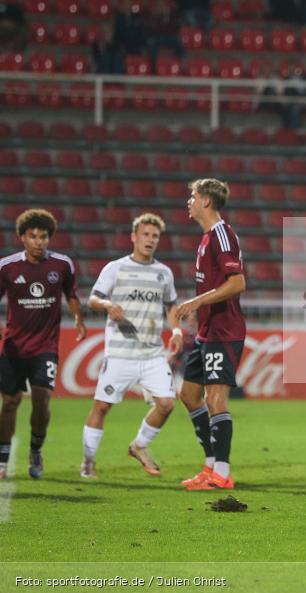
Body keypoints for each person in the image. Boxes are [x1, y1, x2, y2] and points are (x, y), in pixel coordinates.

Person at [81, 214, 181, 479]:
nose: (150, 240)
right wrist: (107, 305)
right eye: (145, 235)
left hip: (152, 353)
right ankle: (88, 460)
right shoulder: (116, 268)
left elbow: (171, 306)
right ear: (134, 237)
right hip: (120, 353)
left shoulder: (164, 273)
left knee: (167, 403)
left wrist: (178, 330)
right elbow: (92, 299)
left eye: (155, 236)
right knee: (102, 407)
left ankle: (139, 445)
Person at [0, 210, 85, 480]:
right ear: (22, 237)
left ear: (50, 238)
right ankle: (2, 460)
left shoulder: (62, 265)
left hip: (45, 346)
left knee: (42, 398)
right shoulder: (7, 267)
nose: (39, 241)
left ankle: (36, 449)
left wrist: (78, 317)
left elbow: (71, 294)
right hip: (12, 347)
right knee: (10, 402)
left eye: (44, 237)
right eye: (33, 236)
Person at [174, 179, 247, 491]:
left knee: (216, 398)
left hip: (224, 331)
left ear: (205, 201)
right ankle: (209, 465)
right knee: (189, 395)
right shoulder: (206, 238)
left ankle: (223, 472)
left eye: (192, 196)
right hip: (206, 332)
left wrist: (197, 301)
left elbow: (237, 282)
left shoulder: (221, 235)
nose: (189, 202)